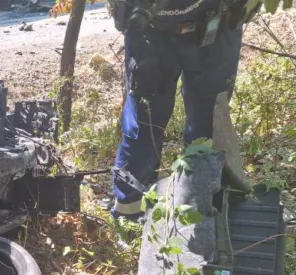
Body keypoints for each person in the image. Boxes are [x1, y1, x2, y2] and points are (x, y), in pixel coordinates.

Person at [108, 0, 256, 221]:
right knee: (143, 124)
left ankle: (198, 212)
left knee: (207, 129)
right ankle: (128, 214)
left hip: (217, 25)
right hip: (150, 30)